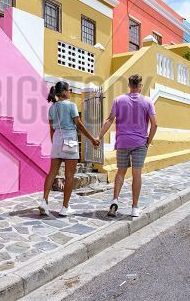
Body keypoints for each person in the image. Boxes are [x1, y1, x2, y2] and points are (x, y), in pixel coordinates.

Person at [97, 74, 157, 217]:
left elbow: (110, 120)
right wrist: (148, 141)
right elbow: (155, 124)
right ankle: (134, 207)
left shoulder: (119, 100)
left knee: (120, 172)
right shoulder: (147, 101)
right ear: (140, 85)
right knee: (137, 174)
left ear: (129, 85)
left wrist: (99, 136)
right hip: (140, 142)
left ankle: (115, 200)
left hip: (122, 141)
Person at [39, 81, 100, 217]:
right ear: (65, 91)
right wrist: (92, 139)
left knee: (52, 173)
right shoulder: (71, 106)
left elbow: (51, 129)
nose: (70, 92)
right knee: (69, 175)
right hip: (70, 140)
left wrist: (55, 143)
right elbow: (79, 125)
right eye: (69, 90)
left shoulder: (52, 108)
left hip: (57, 139)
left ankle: (44, 201)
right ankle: (65, 208)